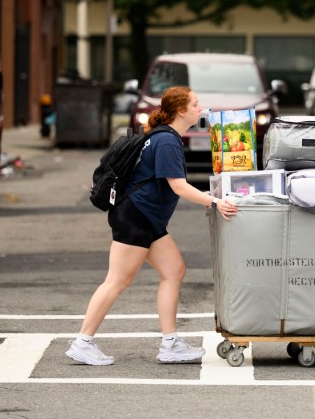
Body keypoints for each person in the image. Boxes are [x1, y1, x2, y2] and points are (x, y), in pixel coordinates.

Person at [66, 86, 238, 365]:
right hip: (135, 216)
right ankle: (83, 342)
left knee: (174, 270)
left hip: (145, 217)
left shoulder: (163, 137)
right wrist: (215, 202)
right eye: (195, 104)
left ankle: (170, 344)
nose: (200, 108)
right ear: (181, 110)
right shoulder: (167, 141)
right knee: (117, 281)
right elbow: (179, 187)